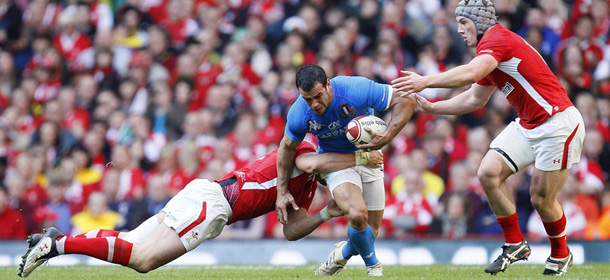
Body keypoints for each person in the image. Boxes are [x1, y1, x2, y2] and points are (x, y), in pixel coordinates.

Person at [391, 0, 585, 276]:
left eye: (463, 23)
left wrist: (426, 81)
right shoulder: (491, 54)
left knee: (540, 198)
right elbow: (474, 99)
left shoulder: (496, 40)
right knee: (488, 172)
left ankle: (561, 253)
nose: (459, 30)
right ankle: (515, 243)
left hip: (558, 123)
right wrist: (433, 107)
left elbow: (470, 73)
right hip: (530, 124)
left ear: (480, 23)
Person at [18, 142, 383, 278]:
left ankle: (56, 241)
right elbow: (310, 162)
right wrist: (360, 157)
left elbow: (290, 229)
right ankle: (58, 245)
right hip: (214, 204)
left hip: (208, 198)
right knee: (144, 260)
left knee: (131, 243)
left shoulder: (304, 188)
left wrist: (326, 213)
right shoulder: (304, 150)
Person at [276, 64, 415, 276]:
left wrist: (387, 137)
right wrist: (281, 191)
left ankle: (343, 253)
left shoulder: (355, 89)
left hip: (370, 158)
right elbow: (286, 147)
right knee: (357, 214)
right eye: (307, 98)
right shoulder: (299, 113)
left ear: (328, 85)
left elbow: (406, 99)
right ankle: (374, 267)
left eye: (318, 96)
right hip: (337, 163)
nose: (314, 104)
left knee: (370, 232)